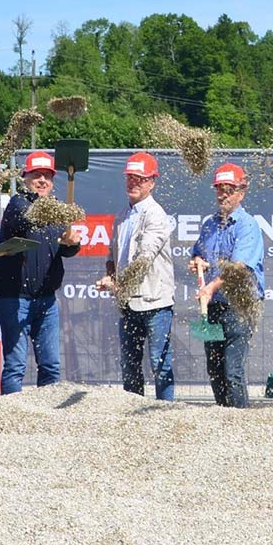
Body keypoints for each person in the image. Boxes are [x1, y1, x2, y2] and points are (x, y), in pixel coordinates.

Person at [0, 150, 81, 391]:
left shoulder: (56, 212)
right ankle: (12, 418)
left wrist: (72, 242)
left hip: (46, 300)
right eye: (36, 175)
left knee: (51, 365)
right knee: (15, 366)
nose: (42, 180)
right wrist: (61, 215)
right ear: (25, 177)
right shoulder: (17, 204)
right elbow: (28, 219)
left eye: (47, 176)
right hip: (15, 299)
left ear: (53, 182)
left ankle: (47, 419)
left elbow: (65, 250)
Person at [95, 152, 175, 402]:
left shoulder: (156, 215)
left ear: (152, 182)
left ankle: (166, 415)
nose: (133, 183)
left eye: (139, 179)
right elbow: (113, 254)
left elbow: (144, 259)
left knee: (159, 365)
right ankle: (133, 414)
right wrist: (110, 274)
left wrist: (118, 283)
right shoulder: (122, 216)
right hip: (128, 303)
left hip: (154, 301)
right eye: (130, 178)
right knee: (129, 365)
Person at [190, 163, 266, 408]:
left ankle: (240, 420)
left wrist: (211, 287)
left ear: (241, 193)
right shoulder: (210, 224)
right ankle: (223, 418)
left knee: (232, 369)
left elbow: (238, 268)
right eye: (220, 189)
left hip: (239, 306)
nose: (223, 194)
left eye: (229, 189)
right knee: (214, 368)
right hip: (214, 306)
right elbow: (198, 252)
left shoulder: (247, 225)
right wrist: (197, 261)